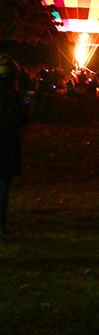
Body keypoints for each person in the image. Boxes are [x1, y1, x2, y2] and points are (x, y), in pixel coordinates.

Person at [0, 55, 28, 238]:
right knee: (3, 186)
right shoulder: (15, 97)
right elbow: (24, 120)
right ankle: (2, 225)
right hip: (7, 144)